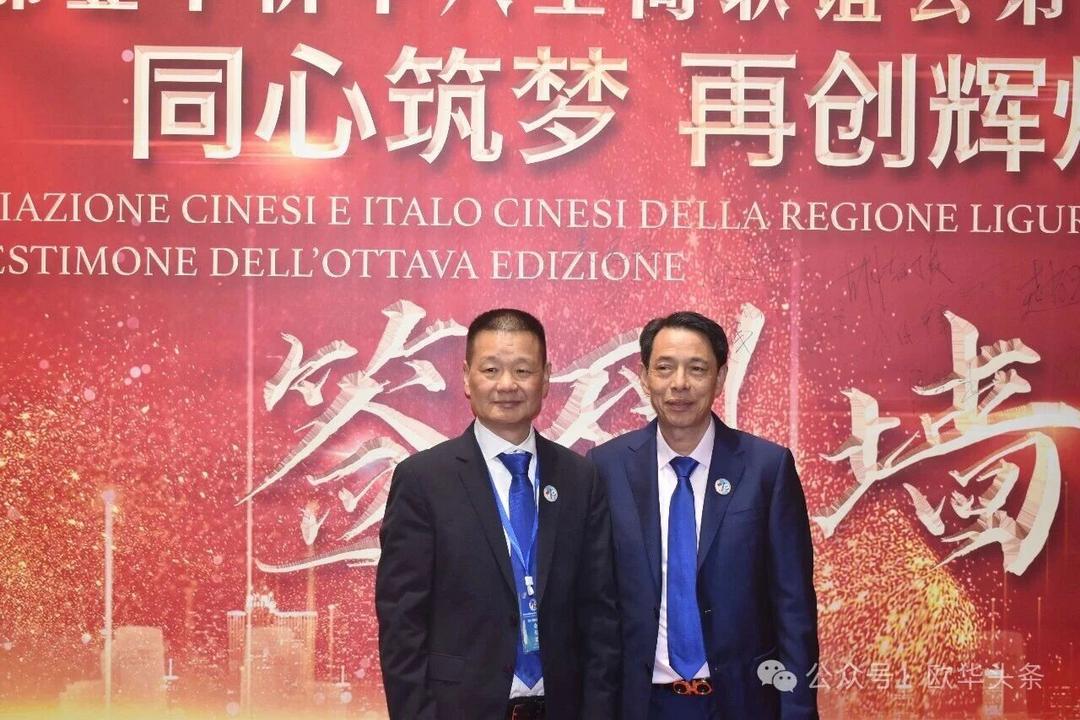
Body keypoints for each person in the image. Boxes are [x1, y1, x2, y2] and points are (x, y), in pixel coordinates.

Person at [376, 308, 620, 720]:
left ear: (546, 378)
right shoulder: (423, 479)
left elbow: (600, 616)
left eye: (523, 370)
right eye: (491, 370)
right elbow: (402, 622)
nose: (507, 385)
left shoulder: (580, 477)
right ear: (466, 377)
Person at [588, 311, 818, 720]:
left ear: (720, 376)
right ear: (644, 377)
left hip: (743, 702)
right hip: (640, 703)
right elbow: (594, 606)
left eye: (697, 368)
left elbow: (793, 605)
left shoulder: (766, 468)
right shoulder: (606, 468)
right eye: (664, 368)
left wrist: (798, 710)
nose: (680, 383)